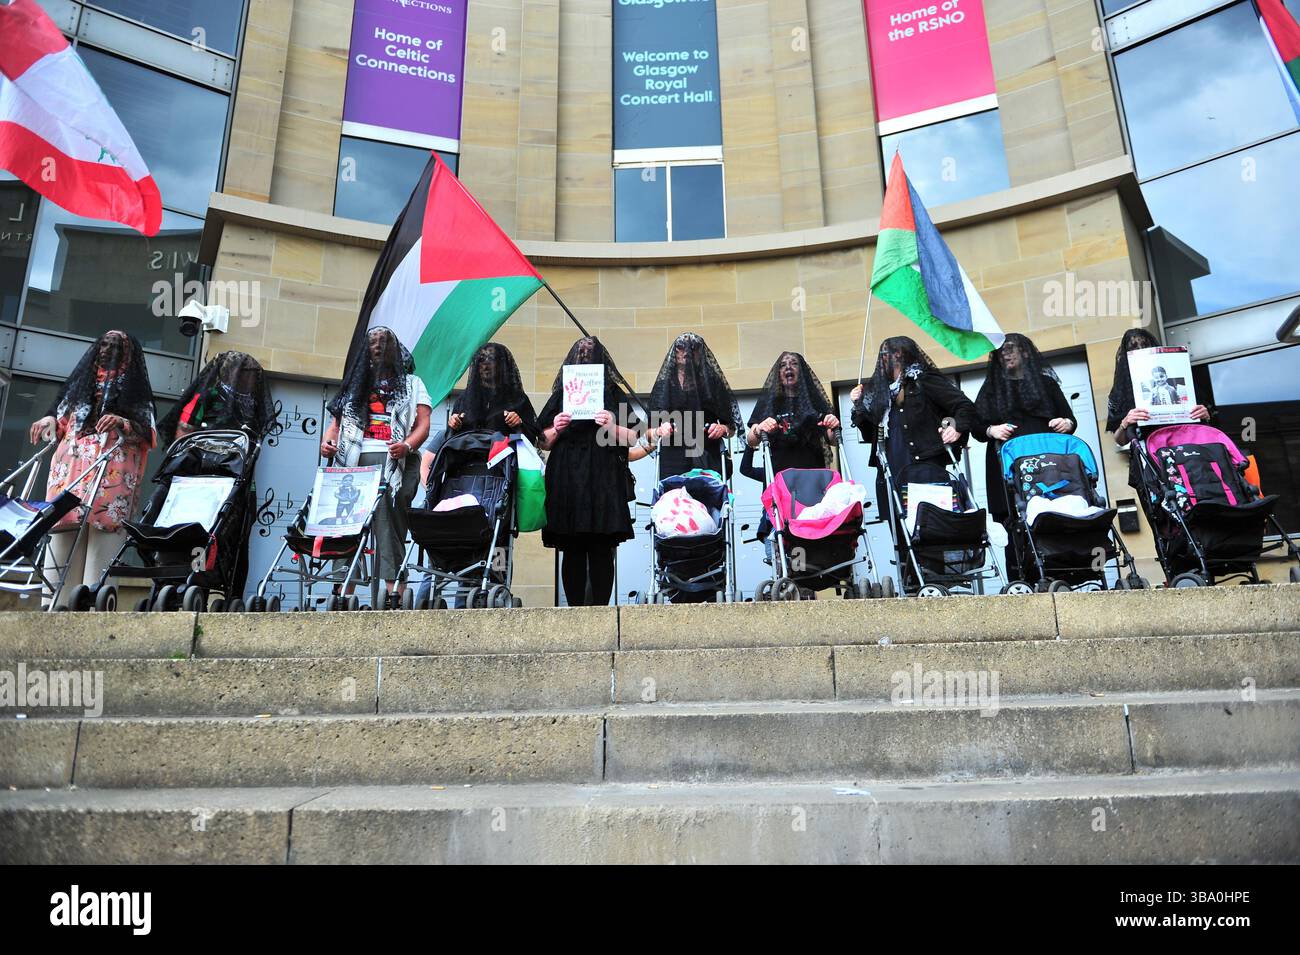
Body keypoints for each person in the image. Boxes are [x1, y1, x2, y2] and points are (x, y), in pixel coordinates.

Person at [28, 330, 156, 607]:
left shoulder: (136, 395)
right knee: (60, 547)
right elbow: (61, 421)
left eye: (117, 347)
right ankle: (52, 611)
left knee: (101, 553)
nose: (109, 351)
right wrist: (49, 420)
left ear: (128, 355)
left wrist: (122, 422)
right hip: (70, 477)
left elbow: (148, 433)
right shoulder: (79, 390)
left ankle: (90, 614)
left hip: (111, 481)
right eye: (105, 345)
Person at [851, 336, 978, 582]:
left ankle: (935, 580)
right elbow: (870, 432)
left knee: (929, 524)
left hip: (924, 466)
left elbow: (963, 406)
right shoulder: (880, 392)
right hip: (890, 470)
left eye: (890, 353)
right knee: (899, 528)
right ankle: (909, 581)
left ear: (903, 355)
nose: (885, 358)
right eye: (883, 353)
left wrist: (956, 427)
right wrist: (858, 406)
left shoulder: (924, 380)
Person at [319, 326, 431, 600]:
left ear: (394, 349)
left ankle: (394, 591)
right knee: (345, 522)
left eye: (383, 342)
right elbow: (336, 424)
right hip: (353, 461)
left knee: (388, 522)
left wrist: (406, 445)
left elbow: (423, 424)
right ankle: (343, 589)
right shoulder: (355, 382)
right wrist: (327, 442)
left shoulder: (413, 383)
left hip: (395, 460)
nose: (378, 347)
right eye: (373, 343)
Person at [537, 336, 640, 606]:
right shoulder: (562, 393)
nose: (584, 357)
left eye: (590, 353)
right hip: (567, 476)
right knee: (571, 547)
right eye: (580, 353)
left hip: (603, 476)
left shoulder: (613, 393)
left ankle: (602, 612)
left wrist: (612, 425)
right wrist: (556, 428)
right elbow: (542, 441)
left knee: (602, 547)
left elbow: (633, 438)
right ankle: (574, 613)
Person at [973, 333, 1077, 581]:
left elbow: (1070, 419)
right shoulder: (991, 389)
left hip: (1048, 466)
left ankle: (1058, 575)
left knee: (1052, 517)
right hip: (1006, 468)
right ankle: (1020, 581)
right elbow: (976, 427)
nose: (1005, 354)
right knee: (1013, 524)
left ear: (1026, 352)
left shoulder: (1046, 384)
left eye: (1011, 349)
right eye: (1001, 351)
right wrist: (991, 430)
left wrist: (1066, 422)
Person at [743, 351, 840, 562]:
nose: (788, 368)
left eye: (794, 364)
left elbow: (832, 439)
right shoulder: (770, 401)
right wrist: (759, 428)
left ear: (801, 371)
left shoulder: (814, 402)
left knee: (811, 536)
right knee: (781, 537)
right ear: (778, 373)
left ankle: (810, 571)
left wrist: (833, 424)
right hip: (779, 484)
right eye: (784, 365)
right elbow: (750, 439)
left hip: (812, 482)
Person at [1105, 328, 1209, 485]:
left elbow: (1205, 421)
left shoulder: (1182, 377)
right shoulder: (1120, 391)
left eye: (1144, 347)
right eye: (1133, 348)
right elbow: (1119, 440)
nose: (1139, 352)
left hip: (1189, 451)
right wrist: (1125, 422)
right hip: (1151, 460)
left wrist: (1204, 414)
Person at [646, 333, 740, 478]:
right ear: (675, 352)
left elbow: (732, 428)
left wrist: (722, 428)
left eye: (694, 347)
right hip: (672, 459)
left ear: (700, 353)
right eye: (681, 347)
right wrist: (659, 430)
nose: (687, 351)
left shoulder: (713, 384)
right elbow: (648, 433)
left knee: (709, 498)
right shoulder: (663, 386)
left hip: (708, 456)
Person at [158, 350, 277, 447]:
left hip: (234, 464)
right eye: (247, 374)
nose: (250, 379)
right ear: (232, 372)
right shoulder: (209, 393)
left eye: (251, 375)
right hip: (201, 460)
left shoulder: (252, 401)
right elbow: (186, 426)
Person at [447, 342, 538, 440]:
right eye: (481, 359)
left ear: (501, 364)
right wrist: (454, 424)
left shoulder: (517, 398)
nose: (485, 365)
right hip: (469, 454)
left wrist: (519, 424)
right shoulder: (465, 399)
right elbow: (451, 438)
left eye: (491, 359)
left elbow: (533, 438)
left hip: (504, 453)